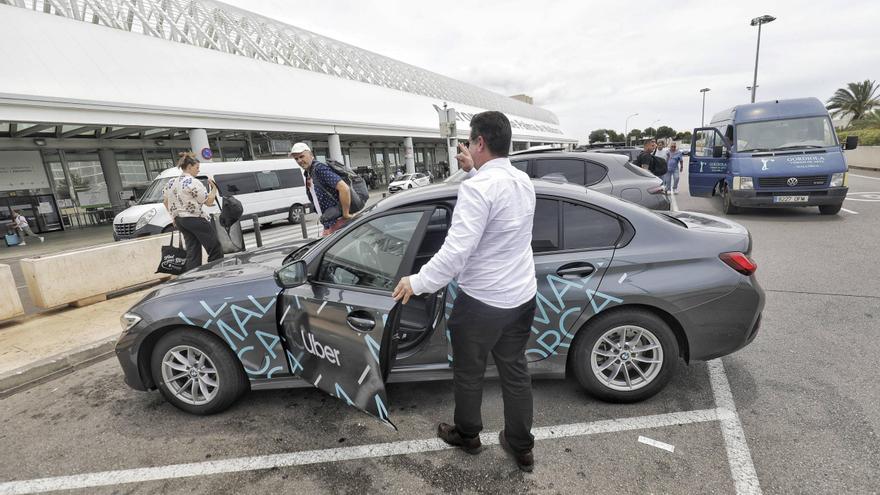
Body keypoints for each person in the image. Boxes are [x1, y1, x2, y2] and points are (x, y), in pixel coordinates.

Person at [392, 111, 538, 472]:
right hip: (521, 297)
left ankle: (468, 435)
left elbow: (456, 252)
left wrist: (418, 282)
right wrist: (473, 169)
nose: (470, 145)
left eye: (472, 141)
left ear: (480, 142)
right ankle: (521, 447)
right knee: (515, 372)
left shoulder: (478, 190)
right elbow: (497, 213)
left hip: (482, 303)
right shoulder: (522, 181)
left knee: (469, 374)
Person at [162, 152, 223, 272]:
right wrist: (214, 188)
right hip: (195, 218)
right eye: (197, 168)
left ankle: (193, 277)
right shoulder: (192, 182)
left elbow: (165, 201)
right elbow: (208, 201)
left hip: (180, 220)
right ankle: (216, 272)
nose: (198, 171)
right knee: (214, 247)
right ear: (189, 167)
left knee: (192, 250)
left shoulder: (170, 183)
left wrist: (173, 217)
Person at [290, 143, 353, 237]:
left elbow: (344, 189)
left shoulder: (319, 169)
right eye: (296, 159)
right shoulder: (308, 173)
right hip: (329, 223)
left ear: (311, 155)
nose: (299, 160)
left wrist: (346, 214)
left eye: (301, 156)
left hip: (338, 222)